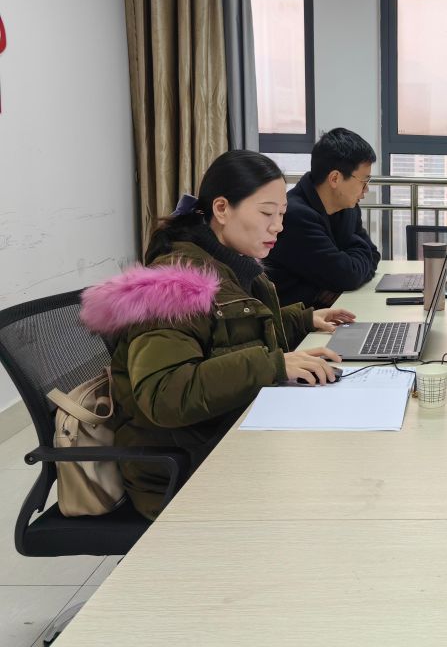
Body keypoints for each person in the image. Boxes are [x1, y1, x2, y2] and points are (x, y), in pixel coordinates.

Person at [79, 150, 355, 519]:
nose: (278, 227)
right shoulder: (177, 285)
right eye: (266, 213)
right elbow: (164, 394)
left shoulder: (232, 265)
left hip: (224, 438)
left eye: (282, 215)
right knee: (335, 483)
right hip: (184, 470)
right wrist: (273, 364)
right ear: (222, 209)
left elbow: (234, 331)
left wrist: (302, 320)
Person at [264, 127, 381, 307]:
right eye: (364, 181)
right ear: (334, 178)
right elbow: (347, 276)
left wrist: (340, 278)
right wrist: (341, 276)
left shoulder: (348, 207)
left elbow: (373, 255)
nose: (366, 190)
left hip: (331, 309)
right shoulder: (296, 216)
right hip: (298, 318)